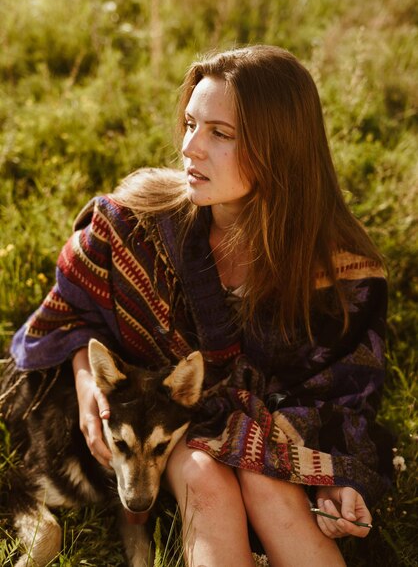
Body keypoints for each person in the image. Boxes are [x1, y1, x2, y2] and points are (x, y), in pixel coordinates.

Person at [10, 45, 391, 566]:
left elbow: (345, 395)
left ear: (279, 150)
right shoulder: (133, 226)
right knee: (204, 479)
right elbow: (69, 315)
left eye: (219, 133)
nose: (189, 147)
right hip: (176, 427)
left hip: (266, 432)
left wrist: (332, 480)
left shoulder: (339, 271)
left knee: (267, 485)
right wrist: (86, 384)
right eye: (190, 123)